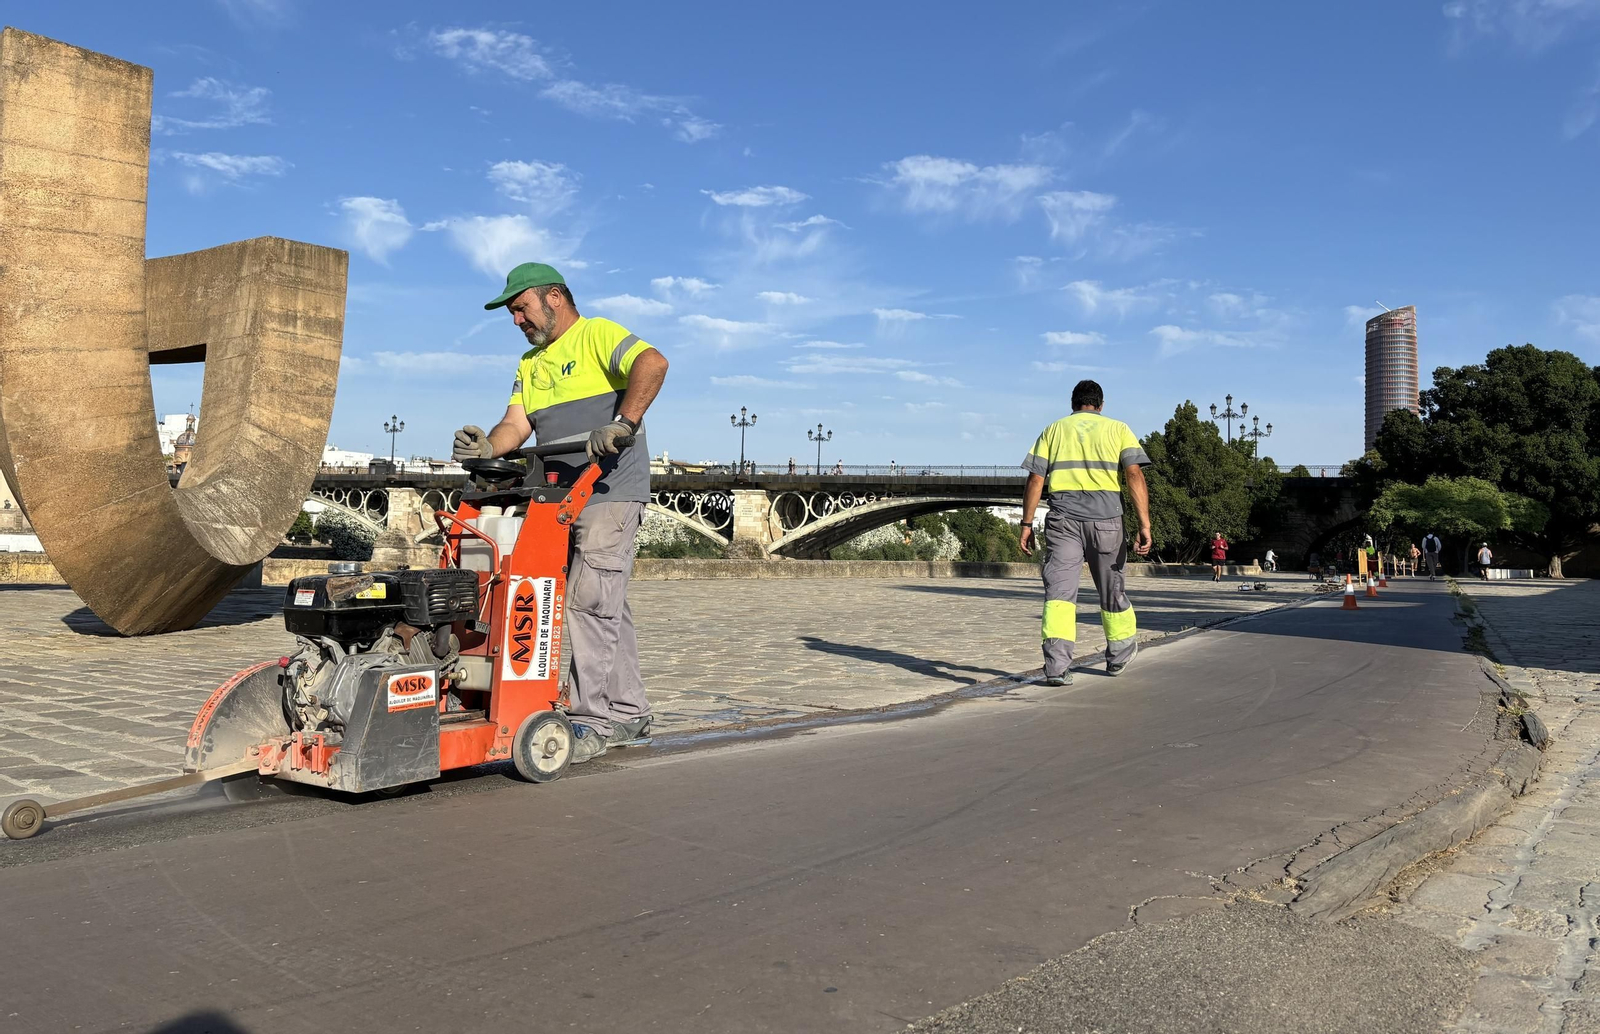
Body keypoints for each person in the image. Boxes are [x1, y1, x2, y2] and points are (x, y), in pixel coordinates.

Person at [452, 262, 670, 765]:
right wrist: (488, 445)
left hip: (609, 489)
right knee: (605, 600)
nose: (516, 320)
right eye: (511, 313)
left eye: (520, 308)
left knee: (589, 601)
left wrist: (623, 422)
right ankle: (628, 710)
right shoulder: (531, 364)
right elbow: (515, 423)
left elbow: (653, 363)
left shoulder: (597, 335)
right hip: (556, 499)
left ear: (554, 297)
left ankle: (592, 721)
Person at [1018, 379, 1153, 686]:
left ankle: (1056, 668)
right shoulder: (1118, 429)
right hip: (1107, 521)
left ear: (1072, 404)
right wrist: (1144, 524)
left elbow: (1036, 479)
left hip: (1063, 522)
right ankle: (1118, 655)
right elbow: (1134, 474)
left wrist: (1026, 524)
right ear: (1101, 405)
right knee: (1112, 588)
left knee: (1059, 595)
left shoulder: (1053, 430)